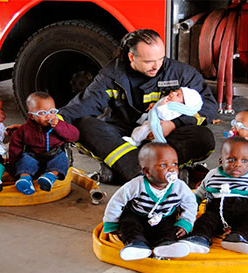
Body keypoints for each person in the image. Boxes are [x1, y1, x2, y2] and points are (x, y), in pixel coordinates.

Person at [59, 29, 218, 184]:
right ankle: (148, 172)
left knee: (203, 138)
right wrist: (52, 119)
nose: (157, 66)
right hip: (124, 137)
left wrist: (173, 124)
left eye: (161, 58)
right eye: (149, 61)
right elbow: (84, 105)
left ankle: (123, 171)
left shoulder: (181, 73)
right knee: (83, 125)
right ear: (131, 57)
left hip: (164, 137)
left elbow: (209, 105)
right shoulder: (111, 76)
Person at [103, 142, 198, 260]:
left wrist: (185, 222)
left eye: (175, 164)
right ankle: (137, 245)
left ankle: (166, 245)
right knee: (128, 224)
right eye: (163, 165)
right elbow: (117, 202)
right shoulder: (136, 185)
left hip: (164, 218)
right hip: (137, 216)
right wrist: (111, 222)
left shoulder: (180, 187)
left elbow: (191, 204)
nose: (172, 169)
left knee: (170, 229)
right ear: (147, 172)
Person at [180, 137, 248, 255]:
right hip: (217, 213)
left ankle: (238, 237)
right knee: (204, 221)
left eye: (244, 161)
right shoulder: (212, 174)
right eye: (231, 159)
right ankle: (199, 238)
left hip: (243, 213)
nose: (237, 164)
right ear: (221, 161)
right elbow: (200, 193)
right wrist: (191, 205)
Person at [9, 92, 80, 195]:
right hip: (33, 154)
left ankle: (50, 177)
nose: (48, 116)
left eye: (52, 111)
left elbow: (74, 136)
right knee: (25, 160)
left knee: (61, 160)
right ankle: (25, 179)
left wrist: (59, 126)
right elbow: (15, 146)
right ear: (31, 116)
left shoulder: (59, 126)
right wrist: (13, 163)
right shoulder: (25, 129)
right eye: (42, 113)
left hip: (54, 153)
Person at [123, 87, 203, 146]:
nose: (172, 93)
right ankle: (137, 140)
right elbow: (157, 107)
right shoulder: (168, 102)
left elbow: (163, 115)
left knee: (143, 130)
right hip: (151, 121)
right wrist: (154, 105)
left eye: (178, 95)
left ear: (183, 104)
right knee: (141, 129)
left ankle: (135, 140)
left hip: (158, 125)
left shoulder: (175, 109)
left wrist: (162, 106)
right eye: (175, 91)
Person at [0, 97, 7, 191]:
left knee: (0, 163)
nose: (1, 113)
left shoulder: (0, 125)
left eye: (2, 109)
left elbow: (2, 138)